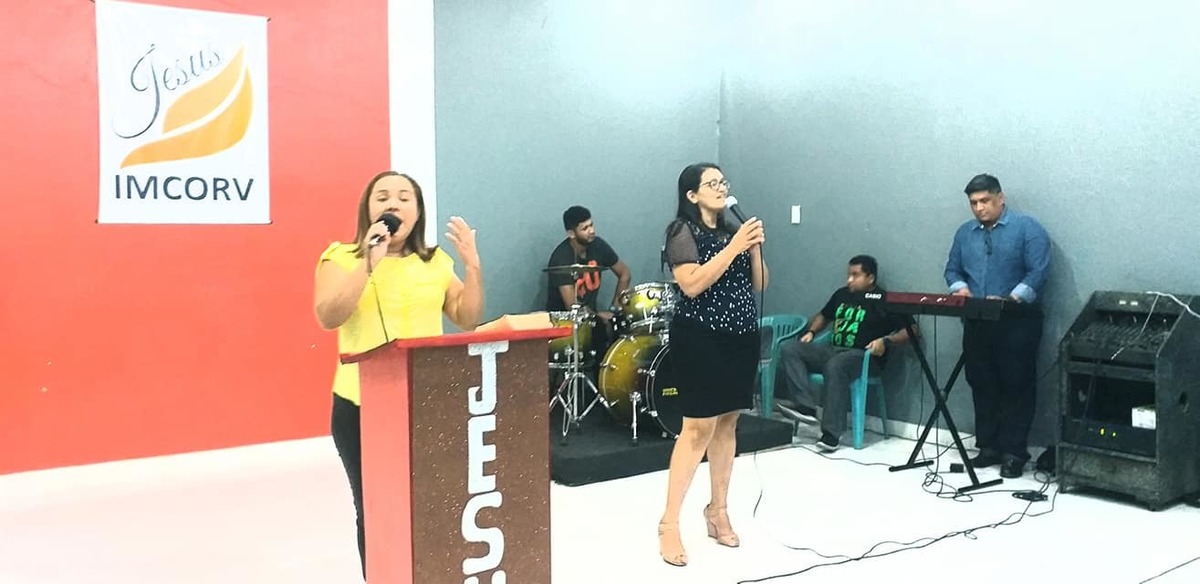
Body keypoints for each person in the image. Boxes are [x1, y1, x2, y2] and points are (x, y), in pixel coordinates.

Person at [312, 171, 484, 578]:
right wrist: (368, 262)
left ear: (418, 212)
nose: (393, 204)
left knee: (431, 503)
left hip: (427, 404)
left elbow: (468, 318)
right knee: (375, 509)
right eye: (383, 197)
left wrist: (472, 265)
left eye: (405, 197)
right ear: (368, 210)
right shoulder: (340, 258)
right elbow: (328, 316)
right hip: (361, 408)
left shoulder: (435, 262)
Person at [657, 163, 768, 567]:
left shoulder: (730, 232)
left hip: (741, 336)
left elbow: (760, 284)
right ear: (692, 194)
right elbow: (691, 283)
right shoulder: (681, 231)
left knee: (727, 423)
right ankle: (669, 523)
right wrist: (736, 246)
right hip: (701, 337)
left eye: (723, 182)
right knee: (697, 427)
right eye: (712, 183)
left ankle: (718, 510)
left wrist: (753, 248)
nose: (721, 188)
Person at [944, 173, 1049, 479]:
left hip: (1017, 321)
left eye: (985, 201)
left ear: (1000, 198)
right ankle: (988, 446)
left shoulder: (1027, 229)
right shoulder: (965, 233)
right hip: (977, 320)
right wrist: (961, 289)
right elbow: (952, 269)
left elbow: (1038, 272)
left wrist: (1009, 300)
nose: (979, 208)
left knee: (1017, 385)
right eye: (973, 203)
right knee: (981, 382)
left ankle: (1014, 453)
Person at [775, 255, 916, 451]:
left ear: (871, 278)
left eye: (855, 275)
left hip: (864, 357)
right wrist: (811, 332)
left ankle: (831, 435)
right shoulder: (841, 294)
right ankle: (805, 406)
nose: (849, 279)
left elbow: (912, 330)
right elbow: (824, 316)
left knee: (837, 365)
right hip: (832, 350)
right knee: (790, 348)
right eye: (849, 274)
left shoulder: (884, 300)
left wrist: (886, 340)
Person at [545, 205, 631, 360]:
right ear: (571, 233)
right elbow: (572, 306)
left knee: (622, 326)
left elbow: (624, 274)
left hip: (592, 321)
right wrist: (598, 317)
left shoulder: (598, 246)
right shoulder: (561, 258)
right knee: (600, 329)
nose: (591, 230)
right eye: (585, 228)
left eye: (591, 225)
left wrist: (615, 309)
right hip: (565, 325)